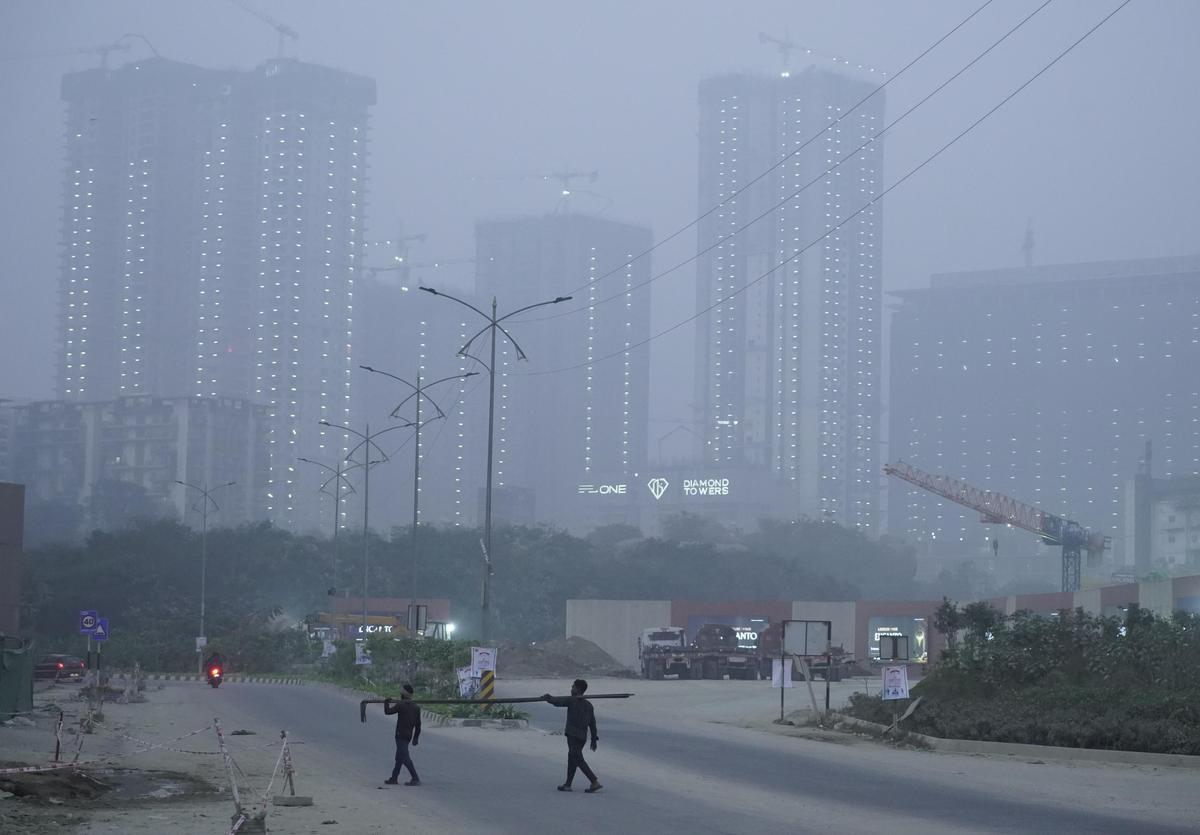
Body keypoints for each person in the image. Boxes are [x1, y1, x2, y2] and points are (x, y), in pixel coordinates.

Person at [542, 679, 602, 793]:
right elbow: (592, 724)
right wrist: (593, 739)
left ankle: (594, 781)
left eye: (573, 687)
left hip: (573, 735)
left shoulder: (572, 700)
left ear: (578, 689)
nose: (571, 688)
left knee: (577, 758)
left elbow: (557, 702)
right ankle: (568, 784)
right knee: (572, 758)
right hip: (582, 737)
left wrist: (548, 698)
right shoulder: (589, 705)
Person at [383, 684, 421, 786]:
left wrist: (386, 703)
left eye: (401, 691)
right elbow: (418, 725)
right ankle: (394, 778)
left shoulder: (401, 704)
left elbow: (388, 712)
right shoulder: (416, 707)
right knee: (399, 757)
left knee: (404, 757)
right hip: (408, 735)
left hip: (400, 734)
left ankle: (415, 778)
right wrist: (416, 737)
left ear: (404, 693)